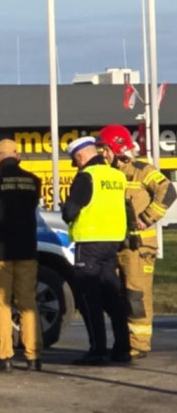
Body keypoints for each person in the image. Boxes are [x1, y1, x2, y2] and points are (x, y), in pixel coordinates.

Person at [96, 124, 176, 359]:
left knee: (136, 295)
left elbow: (168, 191)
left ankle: (139, 344)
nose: (103, 154)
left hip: (140, 246)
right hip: (118, 244)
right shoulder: (110, 173)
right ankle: (124, 343)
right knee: (119, 294)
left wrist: (146, 218)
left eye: (106, 148)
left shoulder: (142, 170)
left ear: (118, 147)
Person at [61, 136, 133, 365]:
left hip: (90, 243)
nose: (76, 165)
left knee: (88, 298)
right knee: (113, 296)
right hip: (112, 243)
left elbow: (71, 211)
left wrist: (66, 213)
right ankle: (123, 348)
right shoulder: (117, 175)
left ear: (81, 156)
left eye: (75, 160)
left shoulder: (86, 177)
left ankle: (98, 350)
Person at [0, 139, 43, 372]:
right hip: (26, 250)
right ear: (18, 157)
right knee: (27, 304)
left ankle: (4, 358)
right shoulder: (34, 182)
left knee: (1, 305)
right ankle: (33, 357)